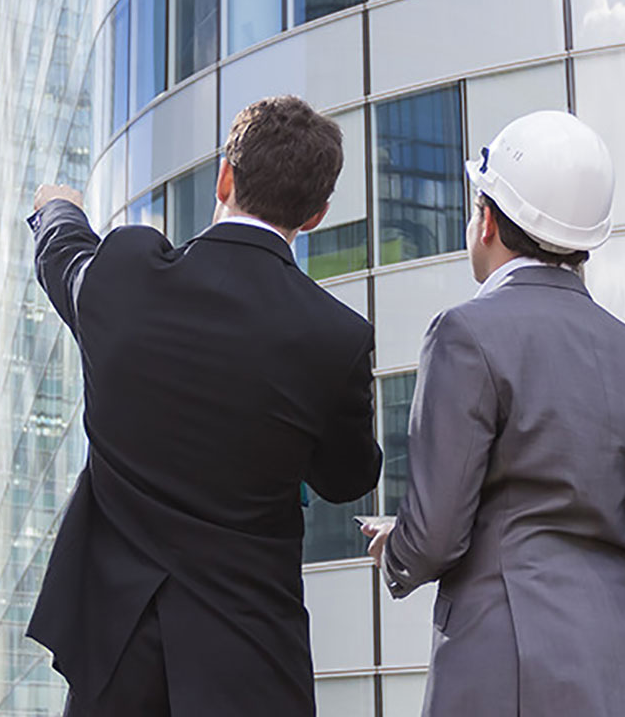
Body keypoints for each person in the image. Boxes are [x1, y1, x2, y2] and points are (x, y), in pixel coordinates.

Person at [25, 95, 381, 717]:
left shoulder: (128, 275)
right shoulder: (333, 335)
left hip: (116, 656)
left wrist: (58, 208)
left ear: (225, 175)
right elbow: (349, 476)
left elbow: (65, 258)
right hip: (250, 663)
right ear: (318, 214)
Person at [363, 110, 625, 717]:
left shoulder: (466, 334)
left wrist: (396, 549)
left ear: (486, 220)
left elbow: (433, 537)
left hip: (505, 667)